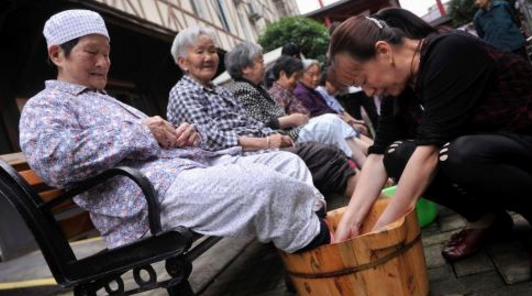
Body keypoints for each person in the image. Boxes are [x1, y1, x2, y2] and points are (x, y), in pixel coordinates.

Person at [19, 9, 333, 254]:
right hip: (147, 201)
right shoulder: (44, 106)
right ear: (58, 54)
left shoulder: (107, 101)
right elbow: (53, 160)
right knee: (266, 185)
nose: (103, 62)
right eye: (92, 52)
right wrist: (143, 132)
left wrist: (181, 137)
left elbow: (148, 141)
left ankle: (304, 256)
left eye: (107, 52)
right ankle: (322, 250)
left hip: (185, 174)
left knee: (287, 164)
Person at [329, 8, 532, 272]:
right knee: (396, 155)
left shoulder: (449, 51)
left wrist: (380, 234)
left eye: (364, 80)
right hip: (494, 149)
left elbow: (428, 154)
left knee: (457, 154)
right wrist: (349, 221)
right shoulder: (398, 89)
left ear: (384, 52)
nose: (368, 92)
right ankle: (487, 220)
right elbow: (377, 155)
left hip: (525, 139)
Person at [166, 27, 358, 199]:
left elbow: (252, 123)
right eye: (200, 52)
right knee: (320, 154)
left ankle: (364, 200)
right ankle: (329, 223)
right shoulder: (184, 92)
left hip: (257, 151)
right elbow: (207, 138)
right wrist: (266, 141)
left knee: (325, 151)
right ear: (183, 61)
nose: (208, 57)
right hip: (231, 161)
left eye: (212, 51)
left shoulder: (220, 90)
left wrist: (275, 137)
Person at [224, 42, 367, 167]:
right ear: (245, 68)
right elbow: (257, 123)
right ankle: (366, 164)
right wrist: (291, 119)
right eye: (260, 61)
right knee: (329, 124)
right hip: (281, 138)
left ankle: (367, 162)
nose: (264, 65)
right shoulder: (241, 89)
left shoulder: (257, 88)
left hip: (289, 132)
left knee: (332, 119)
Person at [316, 68, 371, 137]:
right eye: (336, 87)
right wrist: (353, 123)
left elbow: (342, 111)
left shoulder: (329, 94)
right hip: (336, 126)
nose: (337, 91)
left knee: (363, 126)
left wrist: (355, 121)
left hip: (342, 123)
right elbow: (336, 114)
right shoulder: (320, 92)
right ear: (328, 82)